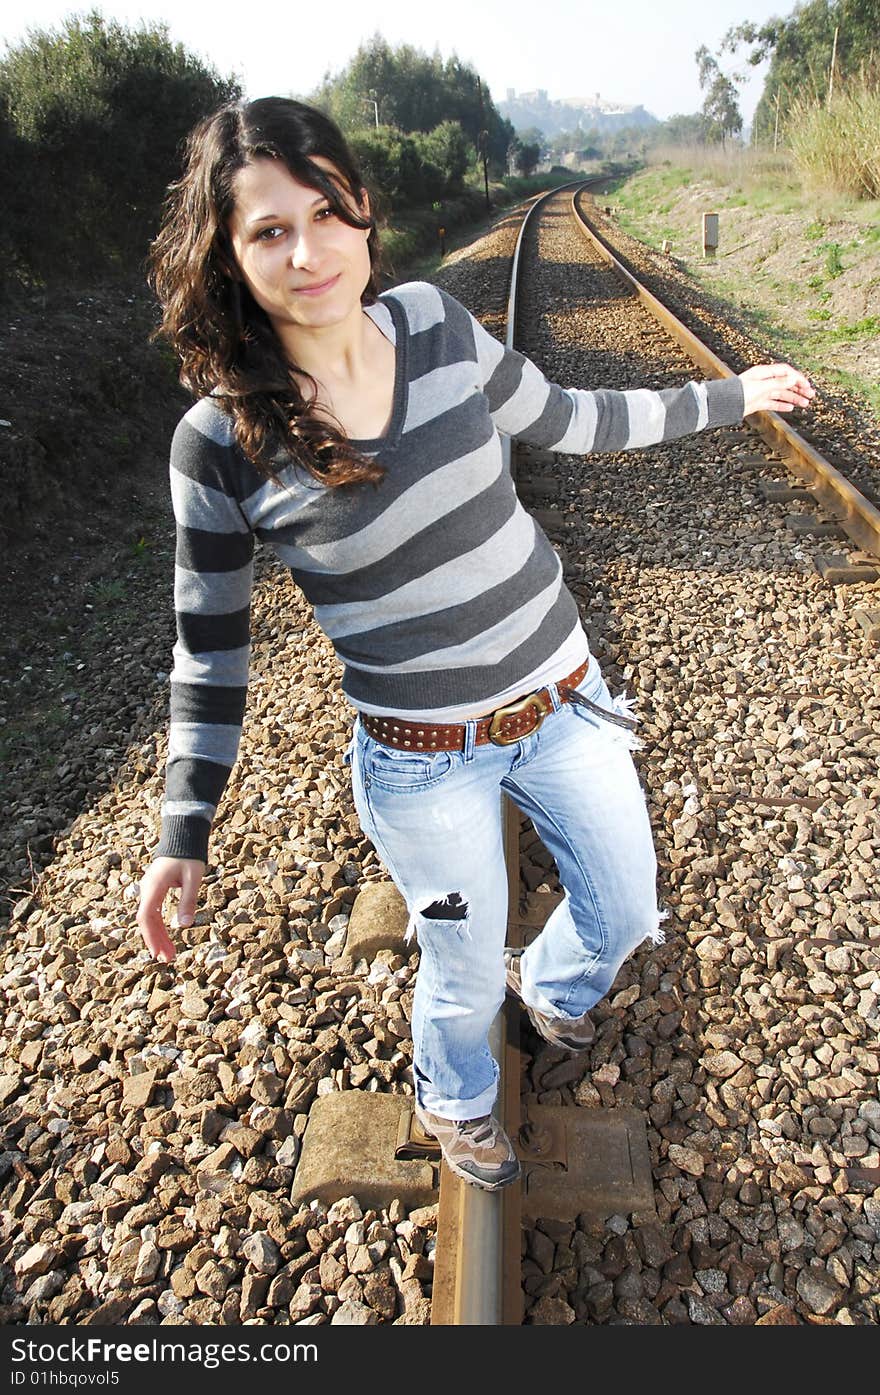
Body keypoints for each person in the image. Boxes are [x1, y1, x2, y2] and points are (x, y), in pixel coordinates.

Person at [136, 96, 815, 1191]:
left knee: (627, 908)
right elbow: (210, 656)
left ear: (362, 211)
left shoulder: (435, 328)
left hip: (565, 700)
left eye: (324, 213)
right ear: (225, 252)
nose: (306, 252)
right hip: (421, 758)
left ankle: (549, 987)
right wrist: (184, 828)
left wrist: (732, 395)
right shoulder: (220, 443)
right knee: (453, 974)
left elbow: (575, 421)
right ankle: (453, 1102)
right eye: (267, 230)